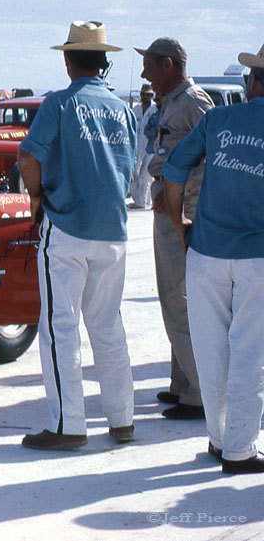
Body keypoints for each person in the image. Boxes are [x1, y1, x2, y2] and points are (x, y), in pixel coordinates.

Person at [16, 21, 137, 450]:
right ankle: (122, 420)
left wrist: (35, 197)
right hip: (113, 231)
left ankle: (69, 425)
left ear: (69, 61)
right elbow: (129, 171)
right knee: (108, 326)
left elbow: (28, 155)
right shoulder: (125, 110)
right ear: (103, 63)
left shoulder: (60, 104)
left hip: (66, 227)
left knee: (60, 327)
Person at [161, 42, 264, 474]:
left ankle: (220, 441)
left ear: (254, 81)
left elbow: (173, 172)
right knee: (249, 353)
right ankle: (240, 449)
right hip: (256, 255)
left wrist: (180, 223)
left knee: (210, 351)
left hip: (204, 250)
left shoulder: (218, 119)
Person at [137, 37, 214, 420]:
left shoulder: (195, 103)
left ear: (168, 65)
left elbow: (212, 158)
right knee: (172, 298)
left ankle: (200, 391)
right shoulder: (172, 102)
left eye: (149, 66)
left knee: (180, 300)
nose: (144, 74)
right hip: (168, 208)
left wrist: (178, 201)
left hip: (182, 214)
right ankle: (183, 383)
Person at [129, 83, 155, 209]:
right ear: (141, 95)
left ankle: (142, 202)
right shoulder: (135, 110)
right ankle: (138, 199)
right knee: (134, 173)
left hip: (150, 148)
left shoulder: (155, 110)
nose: (147, 97)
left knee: (146, 174)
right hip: (136, 147)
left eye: (150, 95)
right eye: (145, 94)